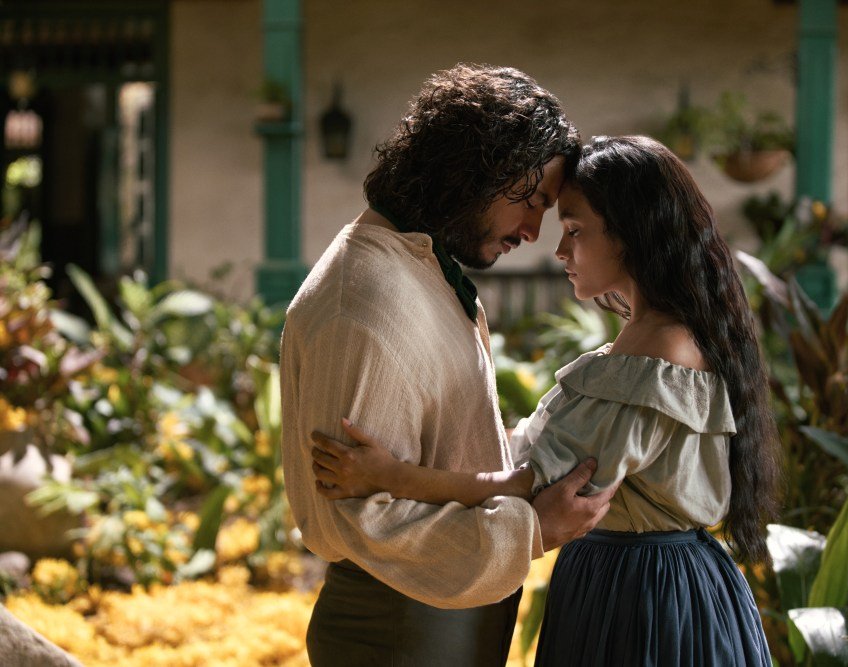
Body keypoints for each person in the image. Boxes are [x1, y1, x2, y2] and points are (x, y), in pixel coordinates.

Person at [310, 135, 782, 666]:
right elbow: (532, 451)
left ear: (634, 233)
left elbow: (535, 484)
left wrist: (390, 476)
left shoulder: (662, 350)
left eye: (574, 230)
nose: (558, 250)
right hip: (614, 577)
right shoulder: (637, 344)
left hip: (646, 594)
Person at [280, 64, 617, 666]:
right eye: (532, 201)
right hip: (400, 627)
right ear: (475, 170)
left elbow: (442, 455)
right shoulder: (365, 301)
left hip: (434, 616)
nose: (534, 232)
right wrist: (534, 528)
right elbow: (363, 515)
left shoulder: (416, 269)